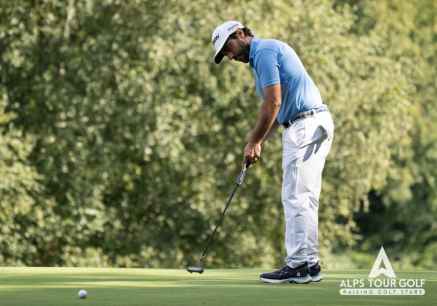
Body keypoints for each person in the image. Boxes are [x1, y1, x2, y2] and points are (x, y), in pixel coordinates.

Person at [211, 21, 334, 284]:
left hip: (305, 125)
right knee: (306, 197)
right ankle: (310, 264)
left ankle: (298, 264)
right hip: (311, 123)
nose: (230, 56)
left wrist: (252, 140)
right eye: (224, 55)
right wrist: (259, 142)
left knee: (296, 196)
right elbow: (277, 110)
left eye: (228, 47)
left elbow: (273, 102)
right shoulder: (262, 57)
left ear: (241, 34)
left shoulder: (263, 51)